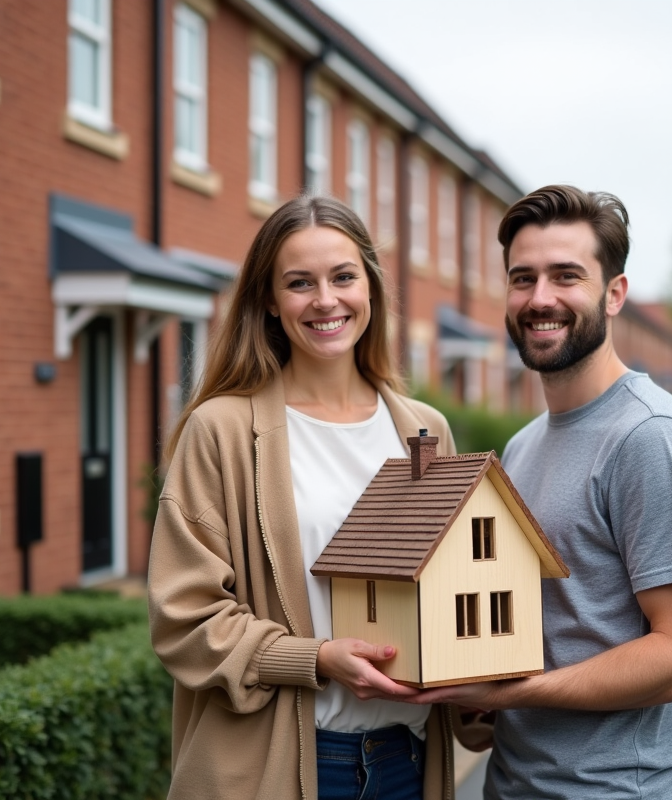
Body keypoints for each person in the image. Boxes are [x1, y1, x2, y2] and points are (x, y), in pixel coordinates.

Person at [414, 185, 672, 798]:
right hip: (514, 783)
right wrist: (470, 694)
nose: (540, 299)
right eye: (522, 278)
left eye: (566, 276)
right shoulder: (525, 445)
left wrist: (513, 692)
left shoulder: (651, 438)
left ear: (614, 294)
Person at [148, 195, 460, 800]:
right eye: (299, 282)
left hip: (408, 764)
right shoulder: (222, 431)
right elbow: (184, 619)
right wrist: (314, 658)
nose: (326, 300)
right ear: (268, 300)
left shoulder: (425, 432)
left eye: (344, 276)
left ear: (370, 286)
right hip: (277, 764)